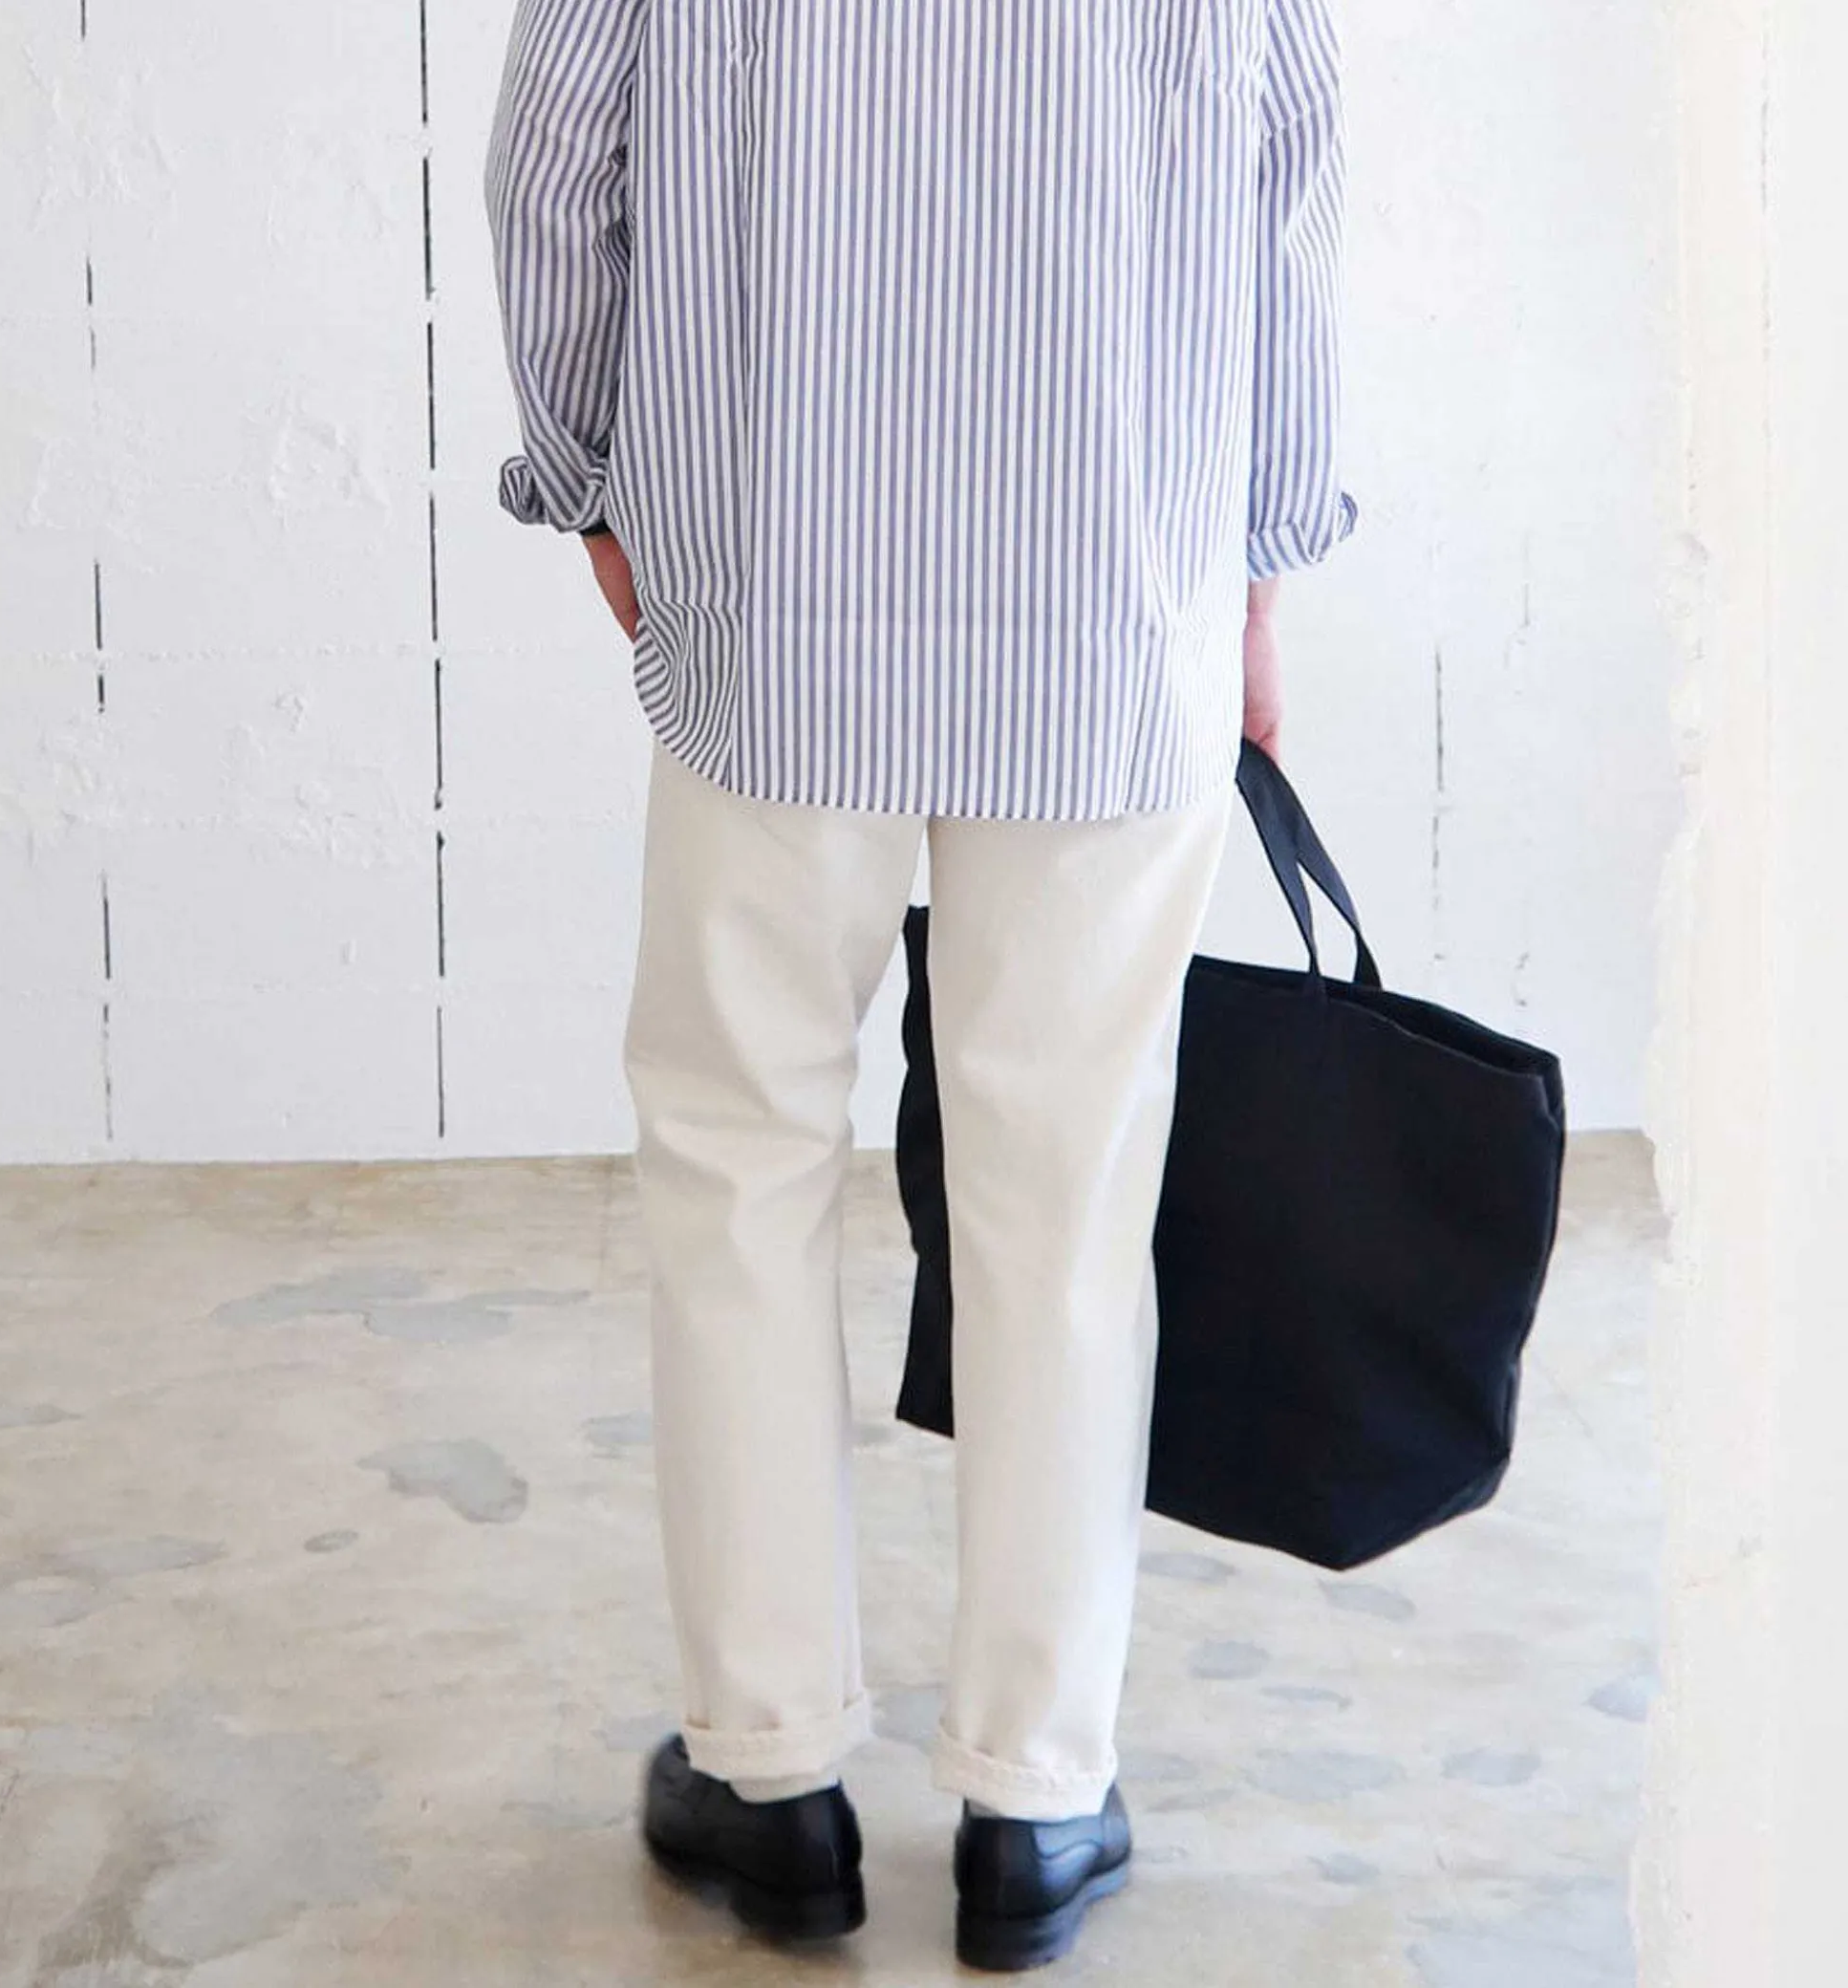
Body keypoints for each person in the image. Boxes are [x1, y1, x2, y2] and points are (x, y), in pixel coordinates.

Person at [483, 0, 1355, 1968]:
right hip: (1111, 605)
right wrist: (1254, 562)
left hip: (774, 600)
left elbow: (553, 156)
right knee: (1067, 1205)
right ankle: (1035, 1802)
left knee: (738, 1164)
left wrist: (594, 471)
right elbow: (1289, 183)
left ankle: (771, 1771)